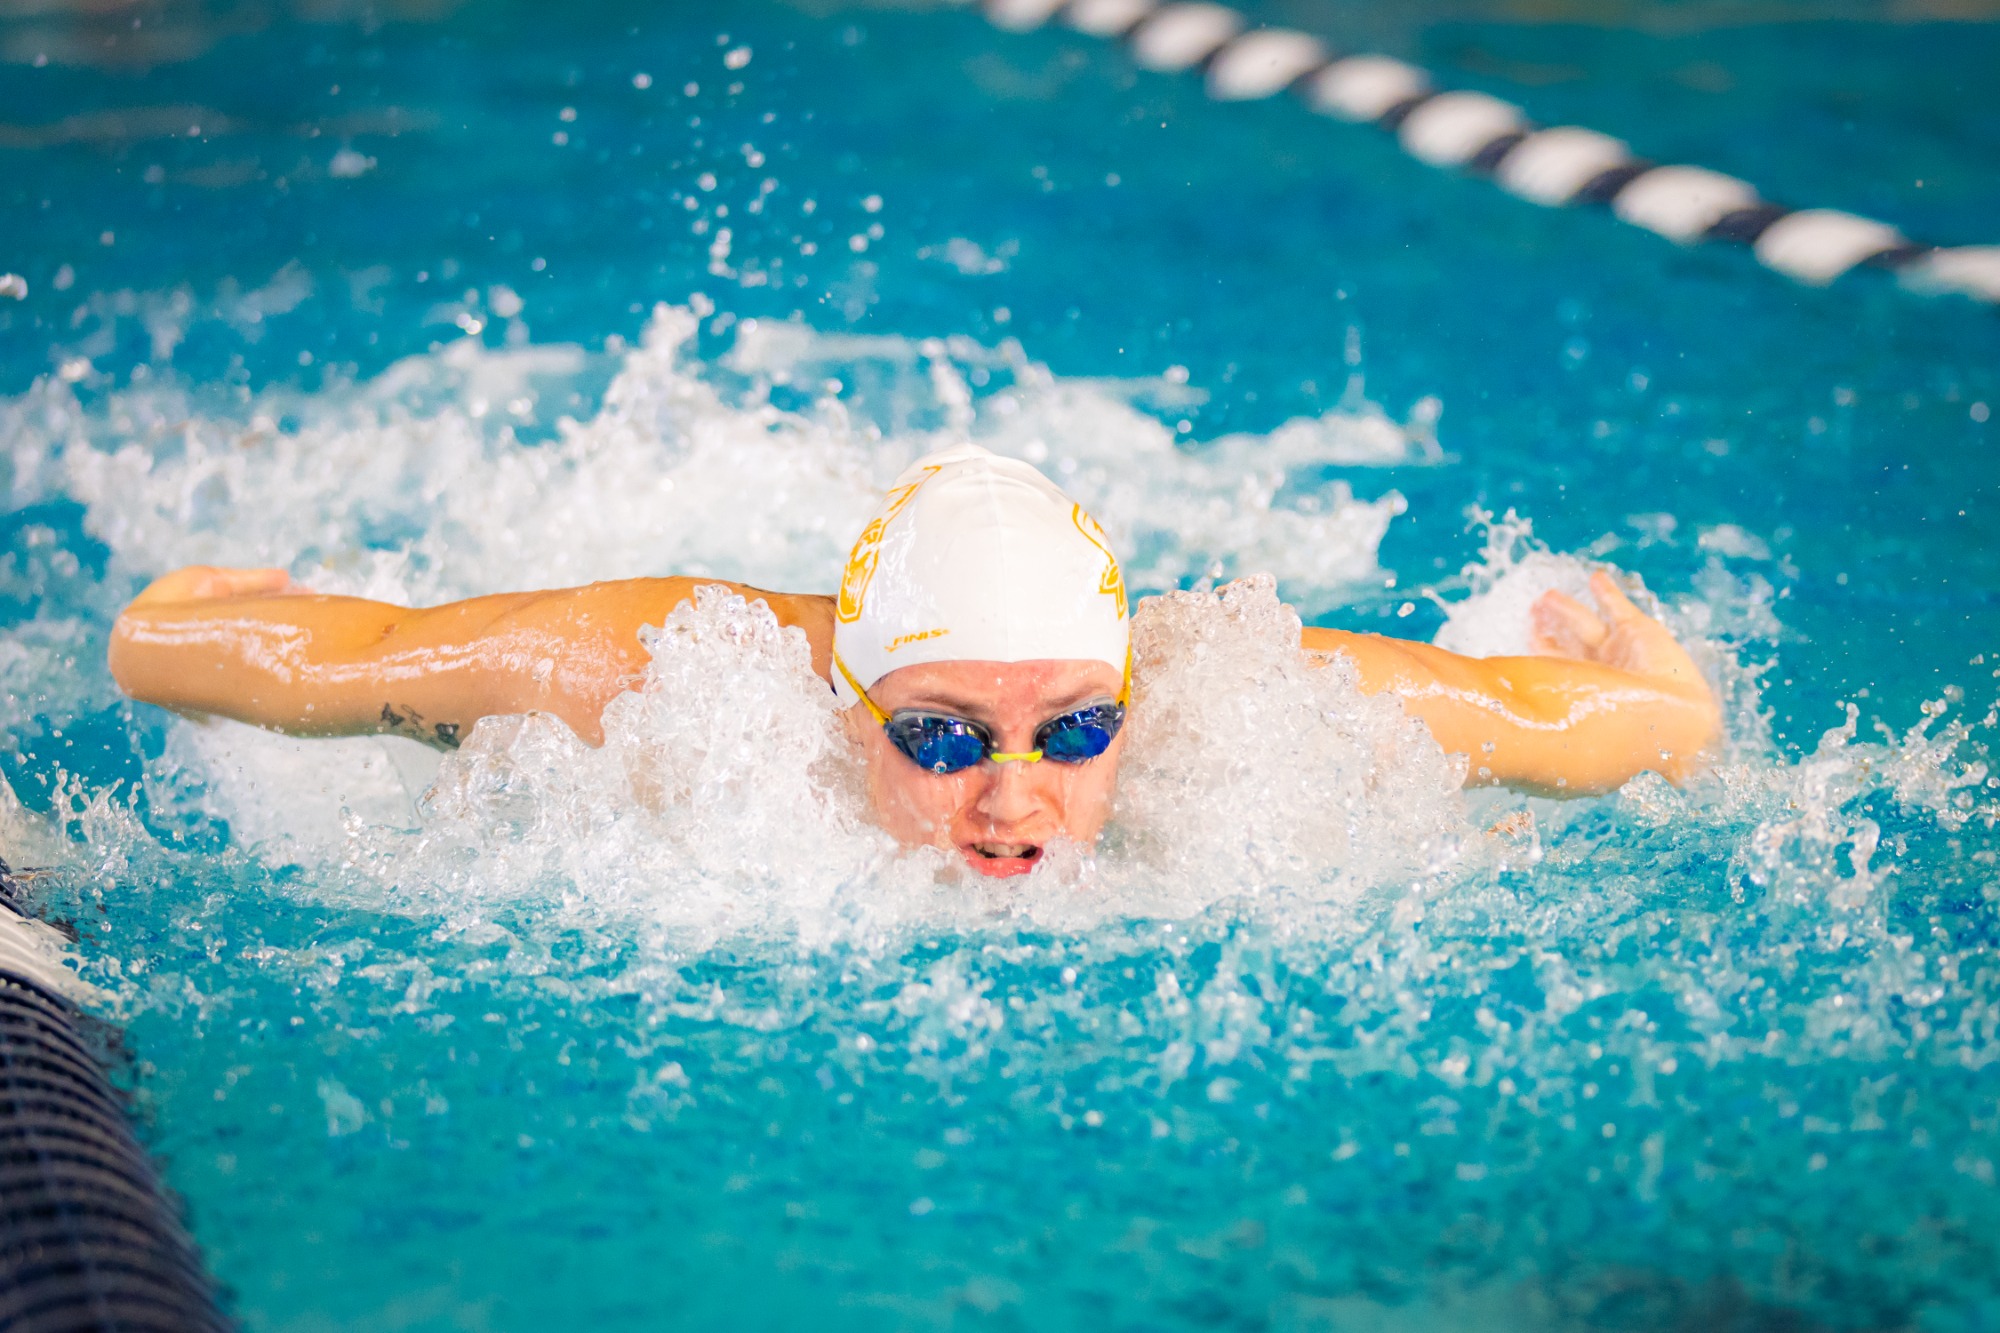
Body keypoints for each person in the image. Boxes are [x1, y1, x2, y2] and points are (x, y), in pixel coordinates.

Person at [108, 444, 1719, 878]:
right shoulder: (665, 681)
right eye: (943, 741)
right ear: (850, 698)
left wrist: (1665, 697)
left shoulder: (1224, 702)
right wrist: (198, 606)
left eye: (1074, 731)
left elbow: (1590, 721)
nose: (1013, 800)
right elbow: (296, 659)